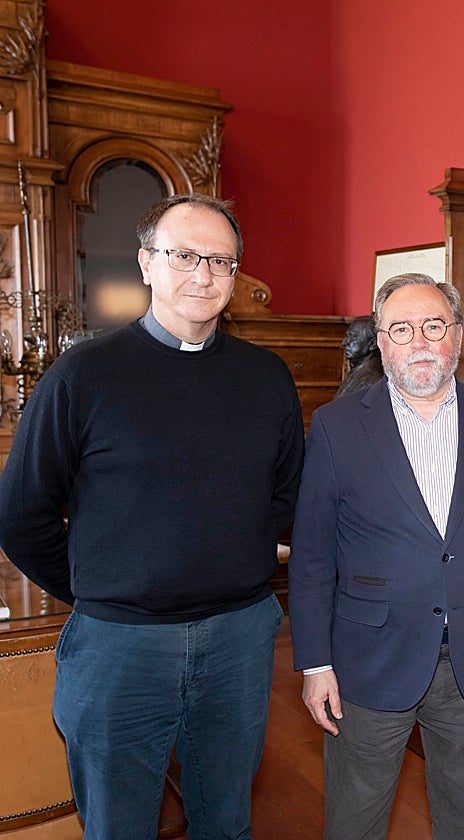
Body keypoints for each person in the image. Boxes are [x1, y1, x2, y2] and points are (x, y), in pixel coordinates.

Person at [0, 193, 304, 838]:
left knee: (226, 821)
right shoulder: (84, 374)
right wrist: (99, 585)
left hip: (239, 638)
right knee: (118, 827)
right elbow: (21, 510)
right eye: (184, 255)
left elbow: (283, 496)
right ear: (146, 264)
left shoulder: (266, 375)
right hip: (120, 645)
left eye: (221, 261)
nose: (204, 274)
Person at [288, 273, 464, 840]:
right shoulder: (336, 426)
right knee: (355, 820)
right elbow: (310, 556)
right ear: (380, 341)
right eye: (401, 329)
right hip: (367, 659)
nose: (419, 341)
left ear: (458, 335)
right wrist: (316, 663)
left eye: (433, 326)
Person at [335, 314, 384, 397]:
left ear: (372, 343)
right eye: (347, 336)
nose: (345, 342)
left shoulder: (373, 381)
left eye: (353, 337)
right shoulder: (356, 373)